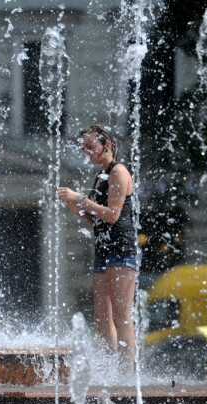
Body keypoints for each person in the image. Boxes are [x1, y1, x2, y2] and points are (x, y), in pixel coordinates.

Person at [56, 124, 137, 369]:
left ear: (107, 146)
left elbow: (113, 215)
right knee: (102, 317)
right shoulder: (100, 175)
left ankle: (126, 373)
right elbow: (95, 219)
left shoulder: (118, 172)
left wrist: (80, 198)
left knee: (122, 316)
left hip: (121, 250)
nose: (86, 152)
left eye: (91, 147)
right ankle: (112, 367)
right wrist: (73, 205)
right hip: (103, 250)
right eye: (84, 148)